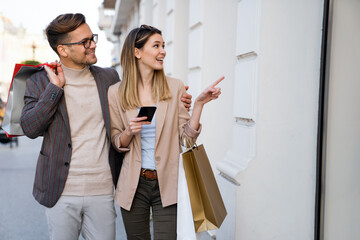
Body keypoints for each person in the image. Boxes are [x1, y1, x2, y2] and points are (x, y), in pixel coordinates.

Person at [20, 14, 192, 240]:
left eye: (93, 38)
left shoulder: (108, 78)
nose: (93, 45)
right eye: (85, 42)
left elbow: (133, 99)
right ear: (63, 50)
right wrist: (55, 89)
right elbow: (30, 128)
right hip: (61, 191)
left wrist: (178, 100)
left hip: (102, 189)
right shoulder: (40, 81)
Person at [108, 24, 223, 240]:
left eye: (163, 45)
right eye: (156, 45)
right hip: (133, 184)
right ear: (137, 52)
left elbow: (186, 138)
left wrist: (198, 105)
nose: (163, 51)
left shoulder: (174, 87)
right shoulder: (115, 93)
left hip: (168, 182)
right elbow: (116, 141)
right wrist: (129, 131)